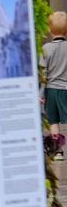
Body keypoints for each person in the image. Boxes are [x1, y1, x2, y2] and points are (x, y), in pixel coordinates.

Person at [45, 12, 67, 159]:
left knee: (53, 121)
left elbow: (43, 72)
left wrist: (40, 94)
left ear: (50, 30)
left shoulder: (46, 49)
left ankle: (58, 150)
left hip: (51, 89)